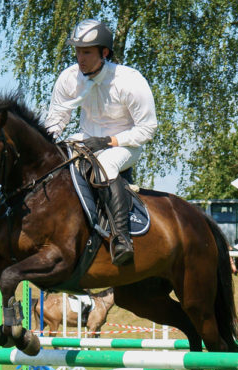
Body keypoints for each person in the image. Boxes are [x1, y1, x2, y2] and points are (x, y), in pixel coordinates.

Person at [43, 18, 158, 266]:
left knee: (105, 166)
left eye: (86, 52)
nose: (79, 58)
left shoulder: (129, 80)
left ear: (104, 52)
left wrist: (110, 140)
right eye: (77, 51)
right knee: (52, 163)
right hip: (86, 139)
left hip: (126, 144)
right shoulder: (69, 78)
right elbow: (57, 118)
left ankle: (121, 239)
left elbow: (147, 129)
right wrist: (47, 143)